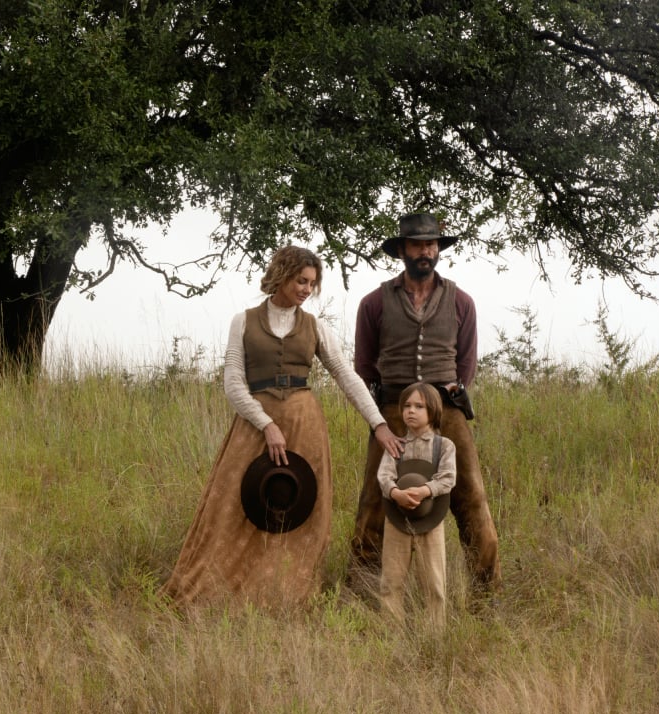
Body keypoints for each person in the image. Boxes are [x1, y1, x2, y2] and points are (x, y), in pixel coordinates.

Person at [164, 245, 403, 606]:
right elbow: (232, 383)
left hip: (304, 425)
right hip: (253, 426)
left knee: (297, 509)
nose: (306, 289)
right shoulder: (242, 321)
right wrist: (266, 424)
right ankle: (225, 591)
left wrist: (380, 424)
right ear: (282, 275)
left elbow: (345, 376)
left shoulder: (315, 326)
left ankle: (285, 596)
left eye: (312, 283)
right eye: (300, 280)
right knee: (235, 507)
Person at [350, 212, 501, 596]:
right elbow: (364, 364)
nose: (426, 251)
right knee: (374, 498)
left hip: (446, 411)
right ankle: (364, 591)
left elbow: (467, 362)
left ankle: (486, 593)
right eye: (417, 244)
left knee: (470, 497)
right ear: (402, 250)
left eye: (432, 244)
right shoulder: (374, 303)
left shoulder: (461, 301)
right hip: (392, 411)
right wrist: (385, 415)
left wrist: (442, 401)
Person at [377, 382, 456, 629]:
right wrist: (396, 493)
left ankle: (434, 635)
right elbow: (384, 476)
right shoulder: (396, 445)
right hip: (397, 521)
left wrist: (424, 491)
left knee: (434, 583)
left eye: (419, 406)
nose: (411, 411)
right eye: (407, 406)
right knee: (391, 581)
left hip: (431, 522)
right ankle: (392, 635)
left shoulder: (444, 446)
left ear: (433, 411)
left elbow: (448, 477)